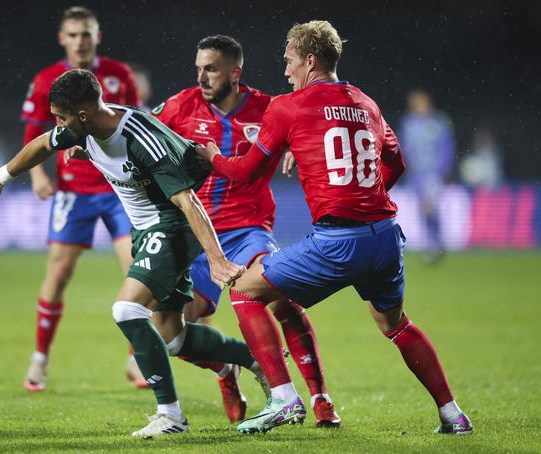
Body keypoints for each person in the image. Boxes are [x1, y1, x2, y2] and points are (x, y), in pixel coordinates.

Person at [196, 20, 473, 435]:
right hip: (385, 237)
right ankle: (453, 414)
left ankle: (285, 400)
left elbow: (246, 171)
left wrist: (213, 157)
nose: (285, 70)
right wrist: (362, 192)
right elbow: (396, 163)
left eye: (289, 60)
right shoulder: (366, 102)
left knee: (243, 290)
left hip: (337, 241)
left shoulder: (288, 107)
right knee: (395, 324)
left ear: (310, 59)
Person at [0, 68, 271, 438]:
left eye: (61, 117)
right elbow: (43, 145)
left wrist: (216, 259)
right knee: (173, 337)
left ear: (83, 115)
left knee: (127, 310)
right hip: (146, 231)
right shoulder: (86, 126)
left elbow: (188, 201)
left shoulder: (140, 138)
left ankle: (171, 415)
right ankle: (255, 360)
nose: (57, 124)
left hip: (172, 225)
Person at [153, 34, 339, 426]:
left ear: (235, 73)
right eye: (199, 68)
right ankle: (227, 370)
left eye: (211, 69)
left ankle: (320, 398)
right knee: (171, 335)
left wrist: (295, 146)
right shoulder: (178, 106)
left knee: (280, 299)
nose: (202, 77)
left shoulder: (268, 107)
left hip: (247, 227)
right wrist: (88, 143)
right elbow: (139, 132)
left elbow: (307, 127)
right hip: (196, 234)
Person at [19, 6, 141, 392]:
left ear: (97, 36)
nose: (80, 41)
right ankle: (40, 359)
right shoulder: (45, 81)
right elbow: (33, 133)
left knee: (137, 272)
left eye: (86, 34)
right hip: (74, 191)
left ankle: (137, 358)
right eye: (73, 34)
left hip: (120, 188)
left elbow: (134, 122)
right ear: (62, 38)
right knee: (57, 274)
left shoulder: (119, 75)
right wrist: (38, 174)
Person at [398, 89, 456, 262]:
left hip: (433, 172)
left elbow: (447, 146)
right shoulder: (408, 123)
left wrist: (444, 169)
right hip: (417, 175)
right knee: (423, 208)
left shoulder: (439, 122)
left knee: (430, 206)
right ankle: (433, 243)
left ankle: (435, 243)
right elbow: (403, 147)